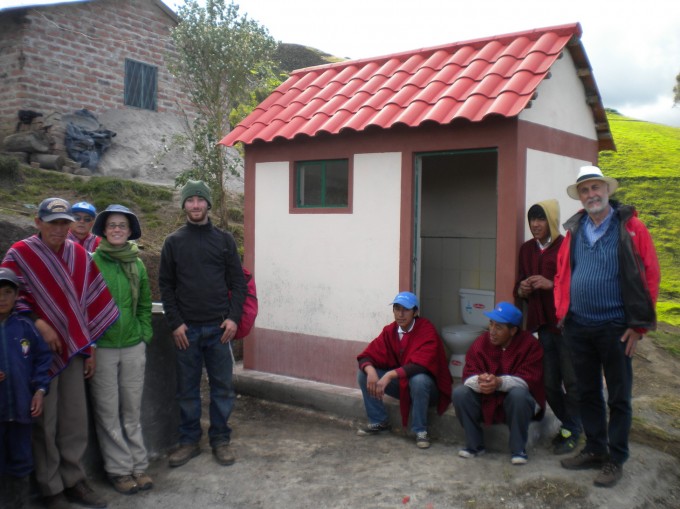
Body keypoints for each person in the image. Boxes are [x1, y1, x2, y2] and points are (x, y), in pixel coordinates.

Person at [1, 197, 119, 509]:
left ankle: (74, 480)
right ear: (38, 223)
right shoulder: (20, 254)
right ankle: (50, 488)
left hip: (75, 349)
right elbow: (10, 295)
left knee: (74, 419)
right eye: (52, 222)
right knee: (44, 421)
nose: (59, 229)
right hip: (36, 354)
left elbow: (89, 303)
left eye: (64, 223)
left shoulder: (78, 254)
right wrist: (40, 323)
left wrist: (89, 345)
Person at [555, 166, 660, 487]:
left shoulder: (631, 228)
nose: (591, 195)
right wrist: (563, 315)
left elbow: (650, 275)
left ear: (607, 190)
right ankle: (595, 449)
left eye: (595, 188)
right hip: (579, 326)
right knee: (587, 392)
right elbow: (562, 275)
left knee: (618, 397)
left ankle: (616, 459)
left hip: (616, 327)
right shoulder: (575, 230)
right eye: (585, 190)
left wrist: (638, 326)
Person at [159, 180, 247, 468]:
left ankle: (220, 440)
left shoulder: (224, 241)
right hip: (187, 331)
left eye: (200, 200)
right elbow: (166, 285)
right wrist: (175, 323)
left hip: (219, 329)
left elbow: (238, 282)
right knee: (187, 389)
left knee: (222, 388)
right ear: (184, 205)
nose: (195, 205)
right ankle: (189, 441)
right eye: (190, 200)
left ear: (208, 204)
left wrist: (233, 318)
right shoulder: (173, 242)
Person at [90, 205, 153, 495]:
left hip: (131, 346)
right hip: (101, 347)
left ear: (130, 232)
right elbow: (83, 305)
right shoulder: (92, 262)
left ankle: (139, 466)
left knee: (131, 409)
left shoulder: (137, 264)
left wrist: (143, 334)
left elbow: (144, 304)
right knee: (107, 411)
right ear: (104, 230)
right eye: (112, 225)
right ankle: (119, 470)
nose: (117, 229)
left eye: (122, 226)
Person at [515, 199, 581, 455]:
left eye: (540, 219)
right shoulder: (527, 250)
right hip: (542, 326)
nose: (535, 224)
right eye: (532, 219)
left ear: (551, 220)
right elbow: (519, 284)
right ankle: (570, 424)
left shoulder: (566, 247)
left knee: (572, 381)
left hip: (566, 326)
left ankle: (573, 430)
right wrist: (522, 288)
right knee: (550, 382)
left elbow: (577, 284)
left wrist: (550, 283)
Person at [356, 291, 452, 449]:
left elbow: (420, 365)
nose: (400, 314)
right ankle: (379, 421)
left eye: (406, 310)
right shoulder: (390, 331)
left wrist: (389, 375)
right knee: (363, 373)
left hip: (429, 389)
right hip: (403, 384)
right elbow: (368, 355)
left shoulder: (426, 329)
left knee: (419, 379)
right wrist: (371, 371)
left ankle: (420, 430)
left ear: (415, 312)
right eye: (397, 308)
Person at [453, 301, 545, 465]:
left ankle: (518, 449)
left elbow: (529, 379)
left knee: (519, 395)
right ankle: (475, 446)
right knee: (460, 393)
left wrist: (500, 382)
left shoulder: (530, 345)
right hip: (486, 398)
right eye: (491, 324)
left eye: (499, 327)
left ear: (513, 330)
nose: (492, 332)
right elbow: (468, 374)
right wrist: (481, 381)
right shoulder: (481, 342)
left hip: (513, 404)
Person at [0, 268, 52, 509]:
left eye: (8, 292)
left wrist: (40, 391)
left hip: (21, 410)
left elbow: (42, 359)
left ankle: (20, 503)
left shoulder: (25, 328)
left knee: (22, 459)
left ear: (16, 296)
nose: (2, 298)